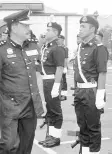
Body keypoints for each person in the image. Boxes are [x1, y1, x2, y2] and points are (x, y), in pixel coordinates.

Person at [0, 9, 46, 154]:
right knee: (9, 144)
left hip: (30, 104)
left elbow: (38, 73)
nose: (29, 29)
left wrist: (42, 101)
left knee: (26, 144)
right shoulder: (0, 50)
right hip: (10, 105)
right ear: (14, 27)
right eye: (25, 26)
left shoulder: (33, 46)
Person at [73, 15, 108, 154]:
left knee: (93, 126)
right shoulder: (80, 46)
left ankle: (94, 152)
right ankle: (85, 151)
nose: (80, 29)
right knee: (82, 125)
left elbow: (102, 73)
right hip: (80, 91)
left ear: (92, 29)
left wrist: (100, 95)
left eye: (83, 26)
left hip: (91, 91)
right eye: (80, 26)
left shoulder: (99, 48)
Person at [38, 22, 66, 148]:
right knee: (49, 111)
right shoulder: (46, 47)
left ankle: (56, 137)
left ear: (55, 33)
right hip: (46, 81)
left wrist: (56, 86)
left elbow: (60, 68)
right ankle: (50, 136)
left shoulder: (57, 48)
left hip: (52, 81)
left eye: (49, 30)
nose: (46, 32)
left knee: (55, 111)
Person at [57, 35, 69, 101]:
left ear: (62, 40)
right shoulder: (56, 47)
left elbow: (66, 58)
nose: (58, 40)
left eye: (59, 39)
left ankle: (64, 95)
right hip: (57, 67)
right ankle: (58, 94)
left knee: (63, 81)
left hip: (62, 66)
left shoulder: (65, 48)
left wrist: (65, 67)